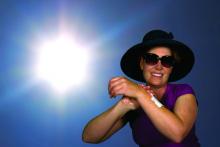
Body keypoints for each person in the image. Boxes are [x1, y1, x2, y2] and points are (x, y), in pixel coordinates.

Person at [82, 30, 200, 147]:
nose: (159, 67)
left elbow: (177, 134)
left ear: (171, 68)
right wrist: (122, 105)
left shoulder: (183, 92)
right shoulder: (133, 101)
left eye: (167, 61)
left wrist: (141, 94)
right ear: (141, 64)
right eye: (151, 59)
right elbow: (89, 137)